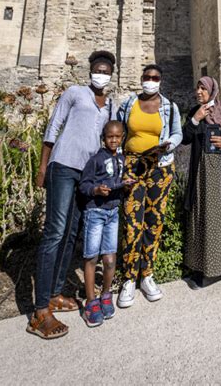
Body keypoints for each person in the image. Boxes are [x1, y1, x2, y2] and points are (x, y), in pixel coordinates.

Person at [27, 50, 116, 339]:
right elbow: (54, 126)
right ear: (90, 71)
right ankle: (40, 311)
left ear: (111, 74)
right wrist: (43, 165)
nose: (101, 73)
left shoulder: (110, 105)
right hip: (63, 165)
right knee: (54, 232)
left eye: (106, 70)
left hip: (87, 175)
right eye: (98, 69)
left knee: (71, 232)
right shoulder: (75, 93)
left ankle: (54, 294)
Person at [117, 64, 182, 307]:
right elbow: (118, 131)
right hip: (133, 165)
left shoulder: (169, 106)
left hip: (160, 166)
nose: (150, 81)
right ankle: (129, 277)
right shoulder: (128, 104)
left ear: (160, 80)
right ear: (141, 79)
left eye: (155, 77)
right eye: (147, 77)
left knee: (154, 221)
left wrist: (168, 145)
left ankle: (147, 274)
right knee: (133, 221)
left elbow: (177, 134)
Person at [183, 76, 221, 288]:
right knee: (203, 217)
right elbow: (185, 138)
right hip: (202, 175)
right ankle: (201, 270)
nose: (199, 91)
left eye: (203, 88)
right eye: (197, 88)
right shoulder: (195, 112)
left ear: (212, 90)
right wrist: (195, 119)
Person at [79, 121, 135, 326]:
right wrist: (96, 190)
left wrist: (126, 187)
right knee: (91, 257)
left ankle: (105, 294)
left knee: (110, 259)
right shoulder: (95, 160)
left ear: (122, 138)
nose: (114, 140)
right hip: (95, 212)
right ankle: (90, 301)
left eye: (118, 136)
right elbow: (84, 185)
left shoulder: (121, 159)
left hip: (113, 212)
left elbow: (117, 183)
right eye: (110, 136)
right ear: (104, 138)